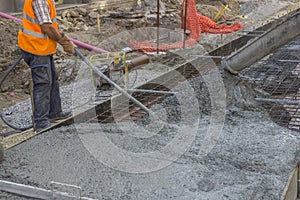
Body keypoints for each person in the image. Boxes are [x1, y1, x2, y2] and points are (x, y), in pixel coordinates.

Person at [18, 0, 76, 132]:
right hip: (35, 48)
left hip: (43, 48)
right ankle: (41, 122)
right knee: (43, 83)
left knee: (53, 80)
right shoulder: (40, 0)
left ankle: (55, 112)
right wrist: (62, 40)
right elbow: (47, 27)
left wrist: (61, 39)